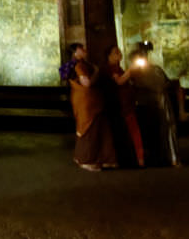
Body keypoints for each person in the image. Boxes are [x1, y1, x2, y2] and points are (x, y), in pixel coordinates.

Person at [62, 42, 117, 171]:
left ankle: (104, 158)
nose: (85, 50)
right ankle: (86, 159)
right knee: (89, 130)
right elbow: (86, 83)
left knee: (100, 129)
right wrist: (96, 73)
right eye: (81, 49)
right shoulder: (79, 65)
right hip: (87, 102)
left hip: (93, 101)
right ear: (75, 52)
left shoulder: (84, 64)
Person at [130, 42, 180, 167]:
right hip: (146, 105)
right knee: (149, 131)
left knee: (167, 128)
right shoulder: (134, 72)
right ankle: (154, 157)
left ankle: (172, 157)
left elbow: (166, 83)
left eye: (145, 54)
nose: (144, 56)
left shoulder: (156, 69)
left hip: (161, 102)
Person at [107, 45, 145, 167]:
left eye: (119, 51)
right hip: (121, 105)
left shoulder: (119, 68)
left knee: (132, 130)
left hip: (127, 103)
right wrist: (130, 70)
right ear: (109, 56)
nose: (119, 54)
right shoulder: (111, 69)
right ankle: (138, 159)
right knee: (132, 130)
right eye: (116, 52)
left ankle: (137, 158)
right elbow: (119, 81)